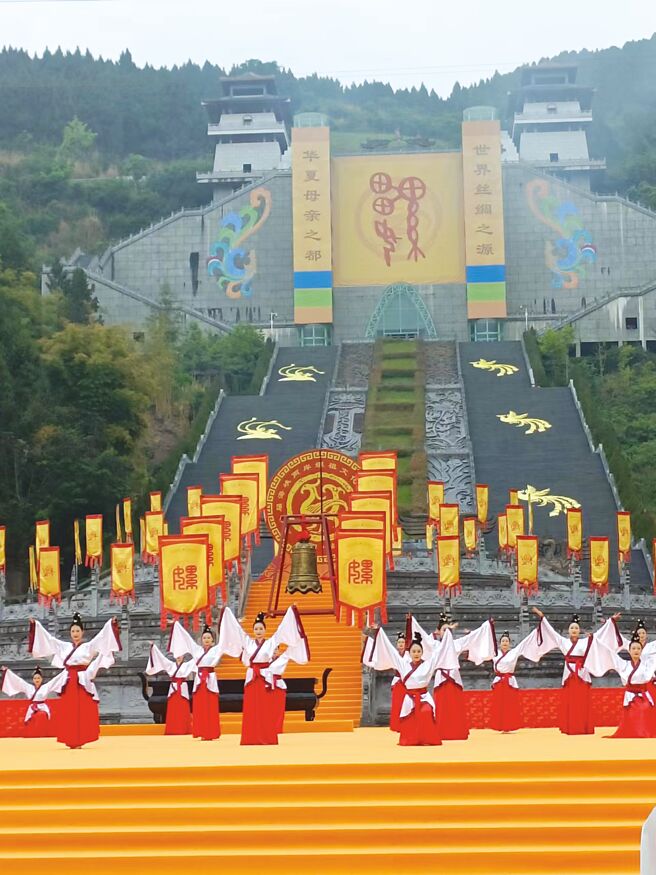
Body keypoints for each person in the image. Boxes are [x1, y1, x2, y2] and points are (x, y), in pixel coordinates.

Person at [219, 606, 310, 745]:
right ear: (253, 630)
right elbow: (236, 630)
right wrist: (227, 614)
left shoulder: (271, 642)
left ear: (265, 630)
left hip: (264, 678)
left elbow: (281, 631)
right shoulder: (247, 641)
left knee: (265, 709)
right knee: (251, 709)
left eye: (261, 629)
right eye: (256, 629)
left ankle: (267, 737)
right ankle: (251, 737)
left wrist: (291, 612)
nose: (259, 631)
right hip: (252, 678)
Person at [28, 612, 120, 748]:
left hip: (82, 681)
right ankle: (70, 738)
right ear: (70, 633)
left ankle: (81, 738)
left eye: (78, 630)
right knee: (68, 712)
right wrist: (35, 625)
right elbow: (49, 640)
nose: (75, 633)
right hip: (69, 681)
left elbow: (102, 637)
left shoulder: (89, 646)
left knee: (83, 711)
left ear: (82, 632)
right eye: (73, 631)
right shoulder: (63, 646)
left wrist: (111, 624)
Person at [529, 608, 623, 735]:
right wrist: (542, 617)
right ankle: (570, 727)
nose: (574, 630)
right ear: (568, 630)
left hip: (582, 674)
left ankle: (583, 727)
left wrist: (611, 621)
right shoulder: (563, 642)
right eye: (572, 628)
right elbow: (551, 633)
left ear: (579, 631)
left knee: (582, 701)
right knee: (570, 701)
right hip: (569, 674)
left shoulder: (585, 642)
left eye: (576, 628)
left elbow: (600, 634)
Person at [363, 626, 459, 746]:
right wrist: (378, 631)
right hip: (410, 698)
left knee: (426, 711)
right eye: (414, 651)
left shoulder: (428, 664)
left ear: (422, 653)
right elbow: (390, 651)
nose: (416, 654)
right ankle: (410, 739)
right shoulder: (403, 664)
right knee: (410, 716)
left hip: (423, 697)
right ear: (410, 653)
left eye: (419, 651)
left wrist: (447, 636)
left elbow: (439, 654)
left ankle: (428, 739)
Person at [416, 614, 497, 740]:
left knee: (455, 707)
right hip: (441, 678)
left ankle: (457, 731)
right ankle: (441, 731)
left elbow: (472, 638)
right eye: (444, 630)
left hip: (454, 678)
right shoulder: (435, 645)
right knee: (442, 706)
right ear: (438, 632)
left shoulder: (456, 644)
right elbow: (422, 639)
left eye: (448, 629)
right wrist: (411, 622)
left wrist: (488, 625)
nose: (446, 632)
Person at [168, 622, 226, 741]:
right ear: (201, 639)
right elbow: (187, 639)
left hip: (210, 678)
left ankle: (211, 732)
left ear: (213, 640)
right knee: (200, 706)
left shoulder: (216, 650)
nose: (206, 639)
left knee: (210, 706)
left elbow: (225, 640)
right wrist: (176, 624)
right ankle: (201, 731)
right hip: (200, 680)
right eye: (204, 637)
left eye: (209, 638)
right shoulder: (196, 650)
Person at [602, 635, 656, 738]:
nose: (636, 651)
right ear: (629, 651)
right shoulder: (624, 664)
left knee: (645, 708)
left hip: (643, 695)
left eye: (638, 648)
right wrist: (593, 641)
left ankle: (644, 732)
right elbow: (610, 654)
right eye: (634, 648)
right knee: (632, 713)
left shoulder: (647, 665)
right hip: (631, 696)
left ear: (641, 651)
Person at [0, 665, 67, 737]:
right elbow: (18, 681)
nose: (37, 679)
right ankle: (32, 735)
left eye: (38, 678)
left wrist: (66, 671)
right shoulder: (28, 687)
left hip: (42, 707)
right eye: (35, 678)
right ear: (33, 679)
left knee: (42, 715)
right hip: (32, 708)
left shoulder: (46, 687)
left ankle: (41, 734)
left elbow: (56, 680)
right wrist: (7, 672)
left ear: (41, 679)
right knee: (33, 717)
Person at [145, 641, 195, 736]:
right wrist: (153, 647)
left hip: (182, 688)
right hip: (173, 689)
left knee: (183, 709)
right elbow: (161, 658)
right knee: (173, 710)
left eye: (180, 654)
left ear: (184, 656)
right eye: (176, 654)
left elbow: (197, 659)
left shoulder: (187, 665)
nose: (178, 656)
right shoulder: (170, 665)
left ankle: (184, 729)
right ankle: (173, 729)